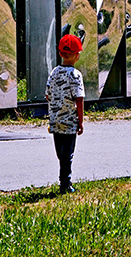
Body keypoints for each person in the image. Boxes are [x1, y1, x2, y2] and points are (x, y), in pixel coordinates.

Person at [46, 34, 85, 193]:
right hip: (69, 121)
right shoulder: (76, 75)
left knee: (61, 153)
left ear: (61, 54)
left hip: (55, 120)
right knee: (67, 154)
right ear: (77, 55)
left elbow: (48, 94)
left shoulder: (54, 72)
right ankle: (65, 184)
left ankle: (63, 179)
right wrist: (80, 121)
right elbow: (79, 99)